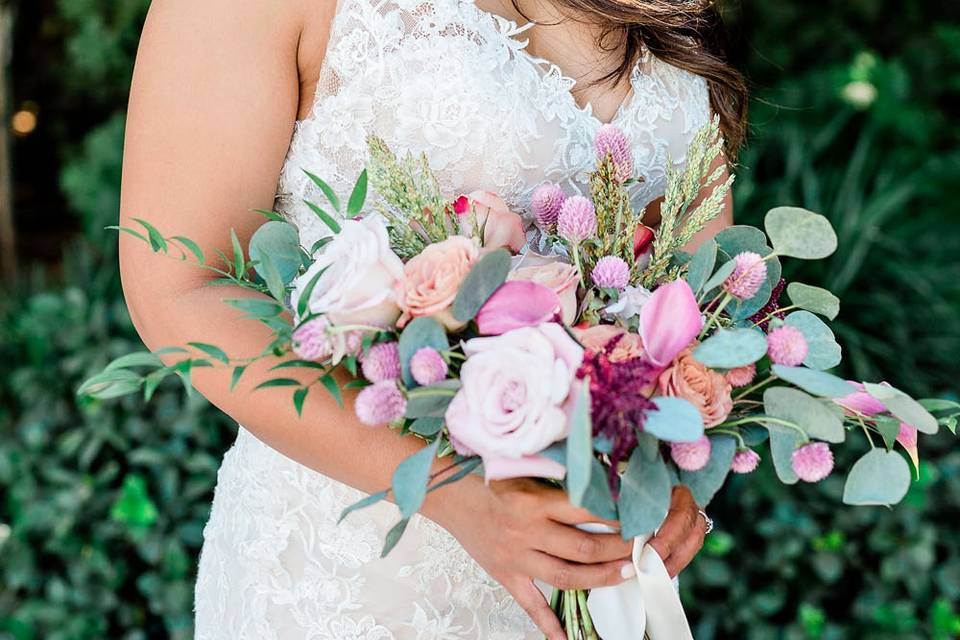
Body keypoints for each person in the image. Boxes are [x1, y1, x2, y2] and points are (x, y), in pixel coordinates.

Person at [119, 0, 746, 637]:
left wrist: (675, 470)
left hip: (597, 569)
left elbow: (702, 294)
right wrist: (449, 489)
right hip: (354, 576)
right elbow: (180, 289)